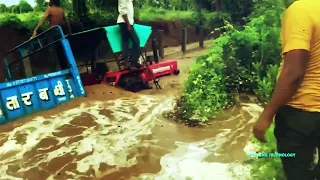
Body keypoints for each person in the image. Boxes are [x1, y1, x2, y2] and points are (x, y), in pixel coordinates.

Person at [253, 0, 320, 179]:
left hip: (302, 114)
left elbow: (294, 72)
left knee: (298, 172)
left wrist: (266, 116)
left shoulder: (301, 10)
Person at [117, 0, 141, 69]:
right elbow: (123, 11)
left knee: (125, 41)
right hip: (125, 22)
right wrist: (128, 24)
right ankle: (133, 62)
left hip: (127, 22)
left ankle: (128, 63)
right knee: (136, 41)